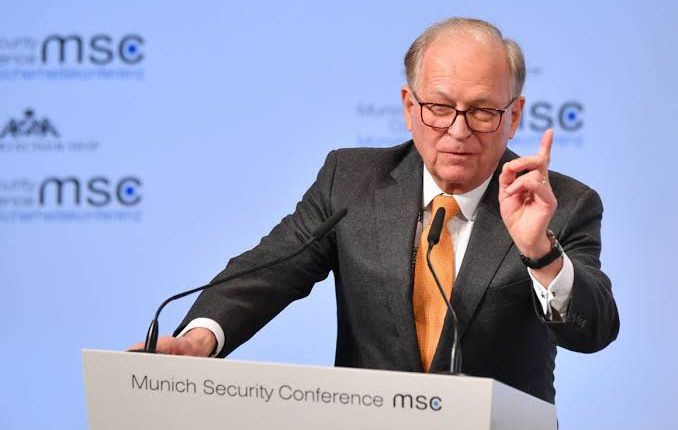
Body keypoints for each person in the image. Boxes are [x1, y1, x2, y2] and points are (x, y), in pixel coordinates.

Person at [131, 17, 619, 404]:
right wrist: (199, 339)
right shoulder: (351, 181)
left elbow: (593, 331)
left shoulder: (559, 204)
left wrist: (540, 253)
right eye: (439, 107)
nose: (458, 130)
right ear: (409, 107)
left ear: (513, 116)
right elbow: (269, 271)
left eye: (482, 111)